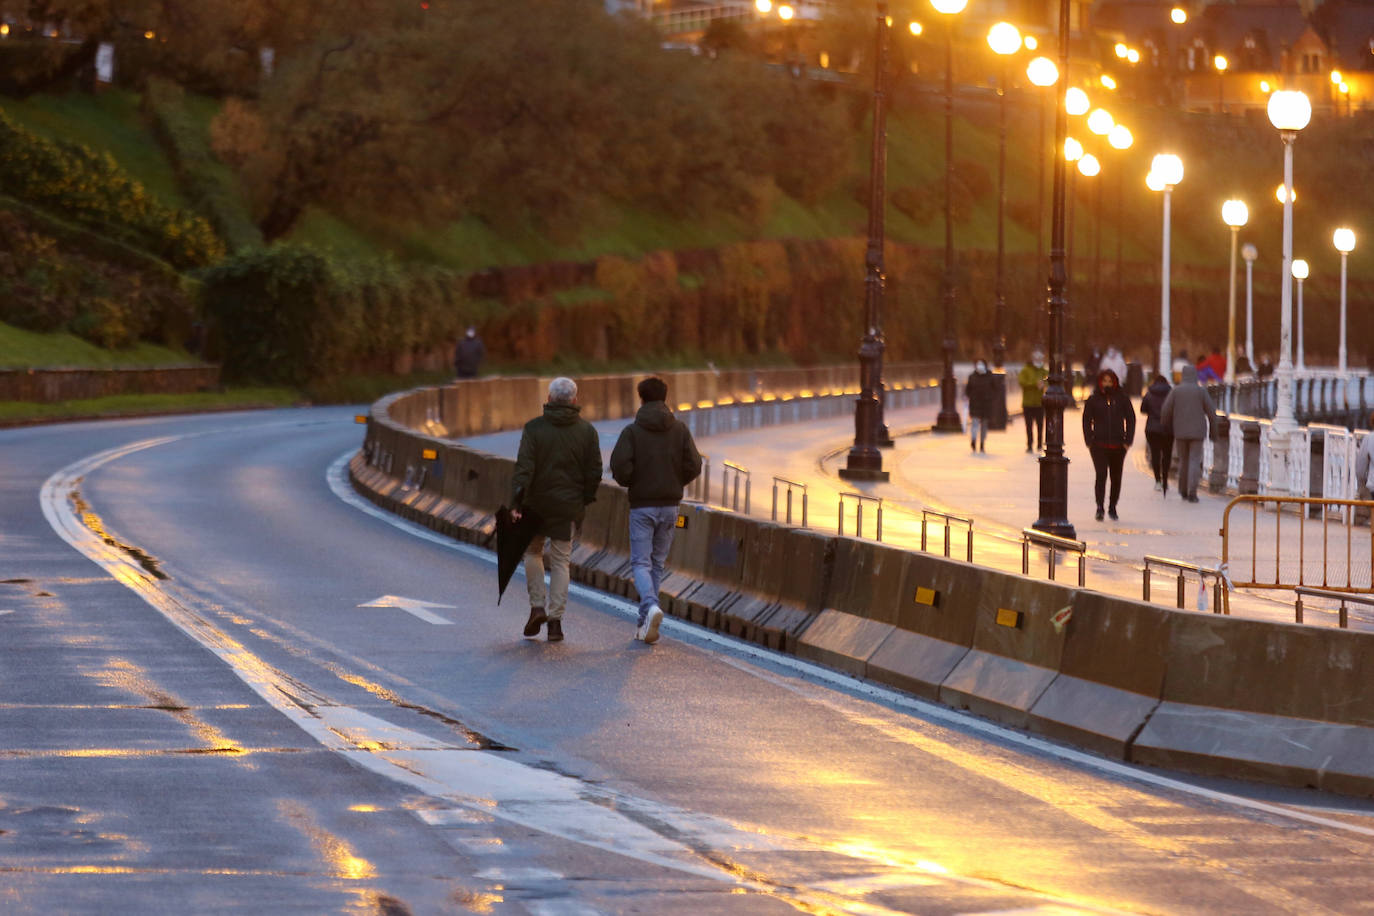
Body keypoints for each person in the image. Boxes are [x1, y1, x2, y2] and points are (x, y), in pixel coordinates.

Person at [610, 377, 703, 644]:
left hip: (643, 506)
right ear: (665, 397)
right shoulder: (680, 430)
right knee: (657, 564)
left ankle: (650, 606)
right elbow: (694, 465)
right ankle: (644, 623)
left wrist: (634, 482)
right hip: (671, 507)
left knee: (640, 562)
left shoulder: (632, 431)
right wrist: (675, 483)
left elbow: (619, 466)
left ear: (641, 398)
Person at [510, 377, 602, 642]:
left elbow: (524, 468)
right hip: (568, 505)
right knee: (561, 561)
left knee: (532, 552)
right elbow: (594, 471)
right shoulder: (587, 432)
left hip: (535, 503)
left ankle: (537, 606)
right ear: (574, 400)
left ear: (549, 399)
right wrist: (583, 499)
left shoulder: (533, 429)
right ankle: (555, 622)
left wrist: (517, 501)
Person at [1082, 368, 1136, 521]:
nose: (1107, 384)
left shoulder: (1123, 399)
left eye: (1110, 381)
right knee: (1101, 475)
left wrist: (1128, 441)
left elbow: (1130, 419)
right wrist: (1089, 440)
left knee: (1116, 477)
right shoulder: (1093, 399)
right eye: (1104, 381)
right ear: (1100, 382)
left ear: (1115, 382)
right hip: (1098, 445)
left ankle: (1113, 506)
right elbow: (1086, 420)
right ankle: (1100, 507)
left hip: (1118, 446)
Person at [1160, 364, 1218, 504]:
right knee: (1194, 460)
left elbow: (1165, 410)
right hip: (1197, 432)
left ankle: (1183, 490)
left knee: (1183, 461)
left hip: (1180, 431)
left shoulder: (1176, 391)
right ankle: (1192, 492)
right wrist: (1213, 432)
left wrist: (1166, 427)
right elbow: (1211, 412)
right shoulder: (1201, 391)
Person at [1140, 373, 1174, 496]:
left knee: (1155, 454)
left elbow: (1143, 409)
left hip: (1152, 429)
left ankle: (1157, 481)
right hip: (1168, 429)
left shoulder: (1149, 394)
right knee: (1166, 455)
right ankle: (1165, 480)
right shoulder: (1171, 394)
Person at [1017, 350, 1048, 453]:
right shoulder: (1026, 370)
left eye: (1040, 358)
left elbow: (1049, 381)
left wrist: (1044, 384)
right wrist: (1035, 384)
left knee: (1040, 425)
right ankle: (1029, 444)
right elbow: (1022, 382)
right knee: (1029, 426)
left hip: (1040, 403)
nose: (1038, 360)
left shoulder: (1043, 370)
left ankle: (1039, 444)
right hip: (1028, 403)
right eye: (1036, 358)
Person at [965, 359, 998, 453]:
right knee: (974, 423)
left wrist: (991, 397)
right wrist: (968, 396)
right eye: (978, 364)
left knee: (984, 425)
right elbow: (968, 389)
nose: (979, 366)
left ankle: (982, 444)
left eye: (981, 364)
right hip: (975, 404)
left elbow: (995, 389)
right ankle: (974, 440)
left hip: (986, 404)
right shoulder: (972, 376)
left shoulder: (990, 376)